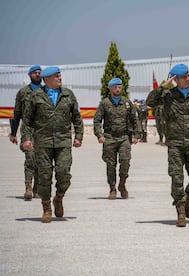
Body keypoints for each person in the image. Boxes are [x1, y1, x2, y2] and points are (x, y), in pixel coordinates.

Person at [146, 63, 189, 227]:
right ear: (175, 79)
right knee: (176, 177)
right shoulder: (168, 96)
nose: (187, 78)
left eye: (188, 75)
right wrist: (163, 86)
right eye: (183, 76)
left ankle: (188, 198)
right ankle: (180, 210)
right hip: (175, 144)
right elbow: (150, 102)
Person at [22, 66, 84, 223]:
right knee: (44, 176)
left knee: (64, 174)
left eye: (60, 76)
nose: (60, 78)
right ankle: (46, 208)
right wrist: (26, 139)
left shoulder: (68, 94)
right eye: (57, 76)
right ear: (47, 79)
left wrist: (78, 136)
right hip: (42, 142)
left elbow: (77, 117)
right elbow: (27, 121)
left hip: (63, 141)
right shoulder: (36, 96)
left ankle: (59, 197)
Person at [94, 78, 138, 200]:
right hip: (109, 138)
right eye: (115, 87)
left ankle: (122, 184)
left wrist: (137, 135)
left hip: (124, 137)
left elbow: (134, 120)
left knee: (125, 161)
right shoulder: (105, 103)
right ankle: (112, 188)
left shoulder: (127, 103)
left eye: (119, 87)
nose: (118, 89)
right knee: (110, 164)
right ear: (110, 88)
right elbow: (97, 120)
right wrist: (99, 135)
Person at [9, 65, 42, 200]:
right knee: (30, 158)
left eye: (39, 73)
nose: (38, 75)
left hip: (42, 131)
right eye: (35, 73)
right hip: (28, 131)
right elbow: (16, 114)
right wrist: (13, 133)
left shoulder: (46, 91)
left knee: (41, 160)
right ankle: (28, 187)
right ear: (30, 75)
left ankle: (37, 189)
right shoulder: (22, 93)